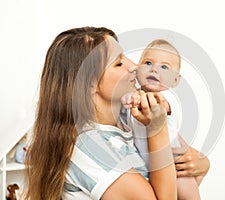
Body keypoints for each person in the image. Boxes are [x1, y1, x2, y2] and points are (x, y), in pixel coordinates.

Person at [24, 27, 177, 200]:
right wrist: (157, 128)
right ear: (89, 84)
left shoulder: (124, 118)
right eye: (119, 63)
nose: (134, 66)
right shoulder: (89, 147)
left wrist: (201, 164)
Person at [121, 39, 206, 200]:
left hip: (174, 165)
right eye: (147, 63)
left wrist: (138, 99)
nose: (154, 69)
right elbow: (125, 100)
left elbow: (162, 106)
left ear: (175, 80)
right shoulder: (134, 93)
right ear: (137, 69)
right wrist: (129, 98)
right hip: (146, 167)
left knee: (189, 193)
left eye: (164, 67)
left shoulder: (168, 96)